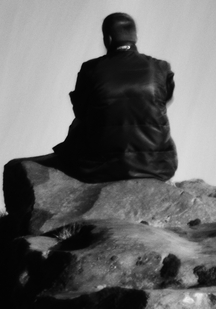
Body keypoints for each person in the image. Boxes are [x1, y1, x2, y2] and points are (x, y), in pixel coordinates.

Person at [52, 12, 178, 182]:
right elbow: (164, 100)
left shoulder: (91, 69)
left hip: (98, 168)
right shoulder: (161, 68)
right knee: (152, 115)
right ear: (135, 37)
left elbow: (80, 112)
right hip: (158, 166)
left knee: (80, 124)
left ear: (108, 39)